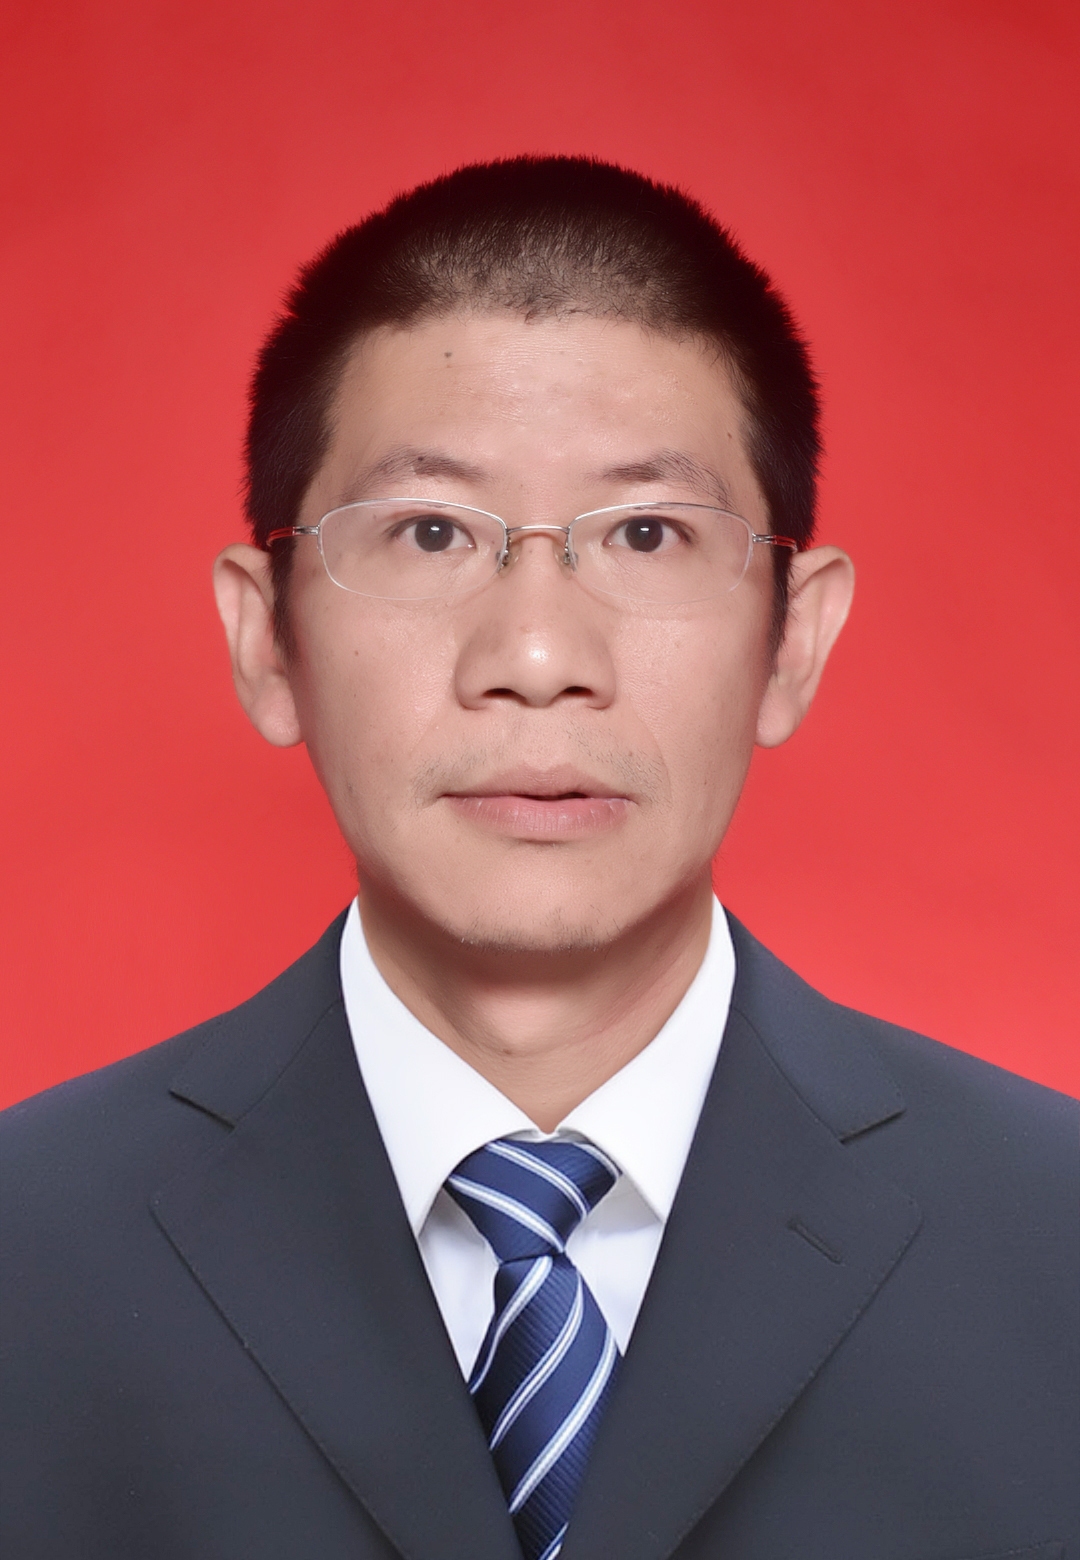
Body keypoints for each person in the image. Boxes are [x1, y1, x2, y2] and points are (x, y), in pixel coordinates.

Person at [1, 157, 1075, 1560]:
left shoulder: (1055, 1244)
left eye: (646, 533)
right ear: (267, 638)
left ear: (793, 640)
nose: (536, 655)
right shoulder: (27, 1252)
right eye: (430, 532)